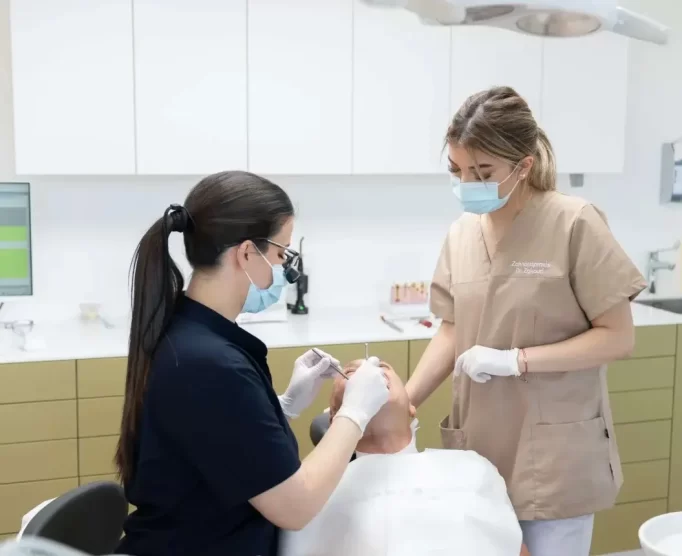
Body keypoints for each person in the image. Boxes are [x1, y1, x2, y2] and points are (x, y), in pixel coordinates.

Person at [406, 87, 648, 556]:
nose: (467, 183)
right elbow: (452, 331)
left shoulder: (574, 222)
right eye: (457, 171)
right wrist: (404, 401)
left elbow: (617, 338)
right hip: (477, 445)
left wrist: (516, 360)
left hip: (553, 452)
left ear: (523, 165)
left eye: (483, 172)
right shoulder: (462, 233)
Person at [114, 171, 391, 556]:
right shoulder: (209, 363)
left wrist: (282, 406)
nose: (283, 268)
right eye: (281, 254)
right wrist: (356, 413)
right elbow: (296, 506)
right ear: (246, 253)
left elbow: (213, 439)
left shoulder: (188, 331)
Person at [280, 359, 530, 556]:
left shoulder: (472, 466)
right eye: (352, 373)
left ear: (412, 407)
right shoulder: (311, 492)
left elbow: (513, 546)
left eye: (381, 369)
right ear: (336, 417)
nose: (370, 374)